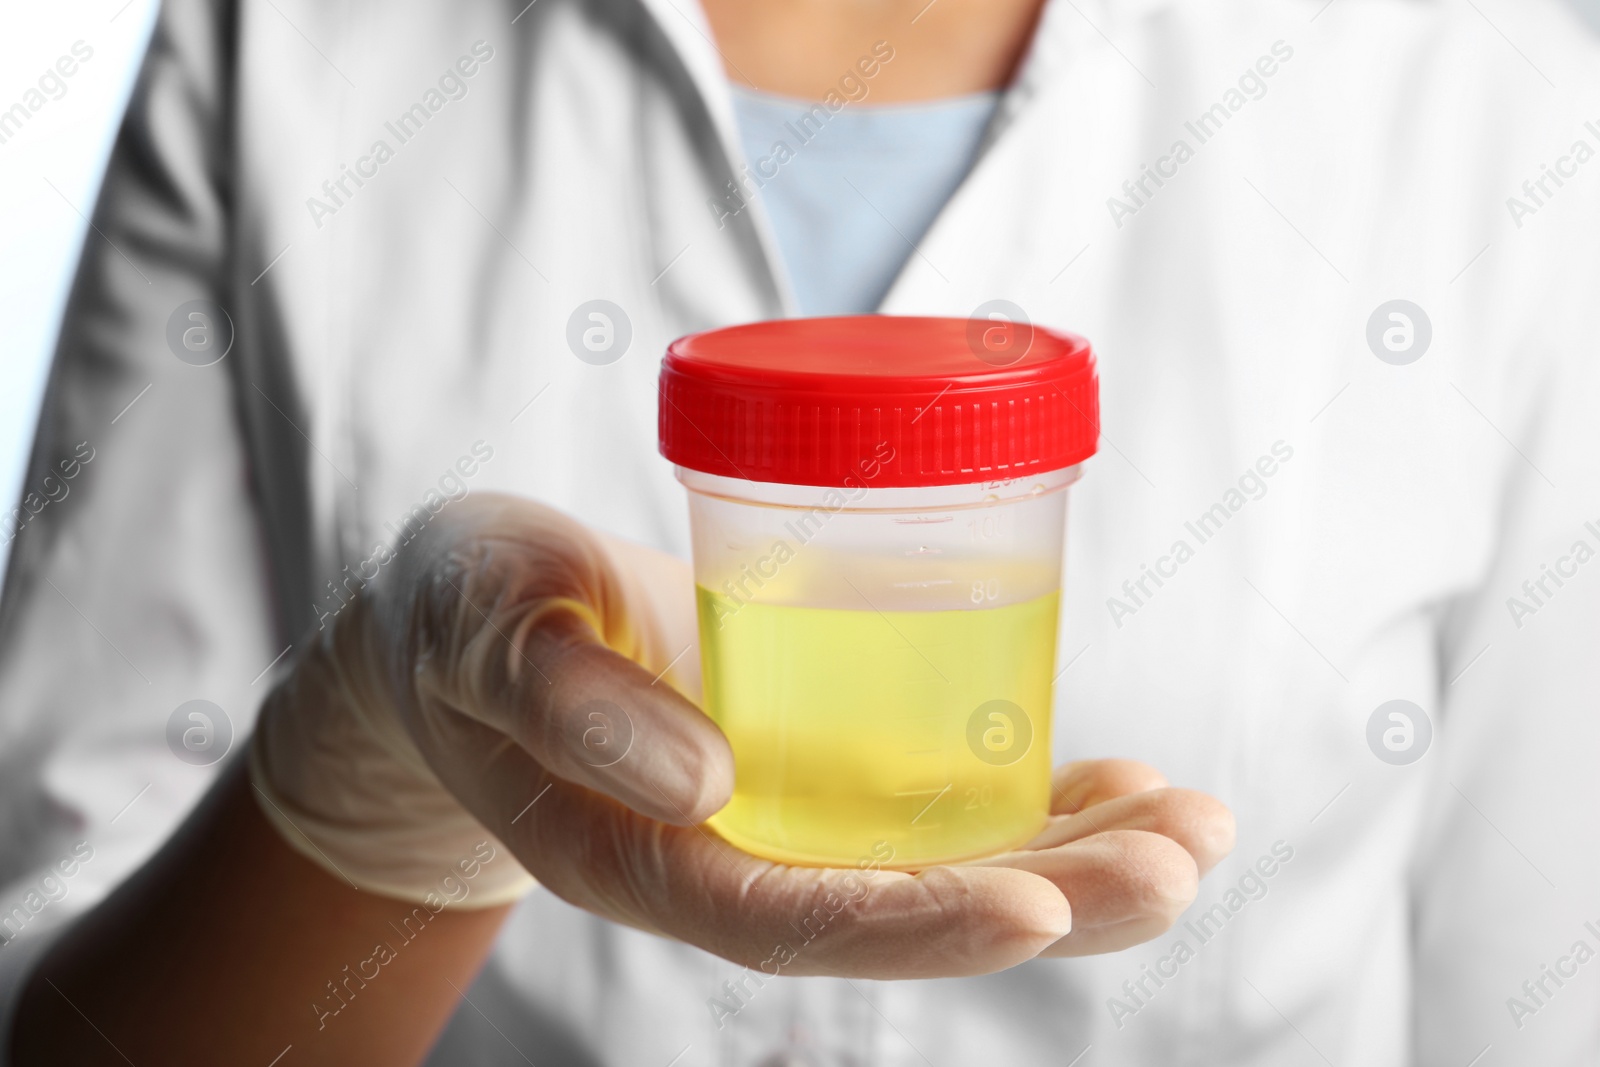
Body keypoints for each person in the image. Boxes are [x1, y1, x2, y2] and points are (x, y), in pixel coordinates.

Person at [1, 0, 1597, 1064]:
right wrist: (364, 795)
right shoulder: (288, 38)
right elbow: (64, 1017)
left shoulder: (1497, 91)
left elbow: (1536, 1003)